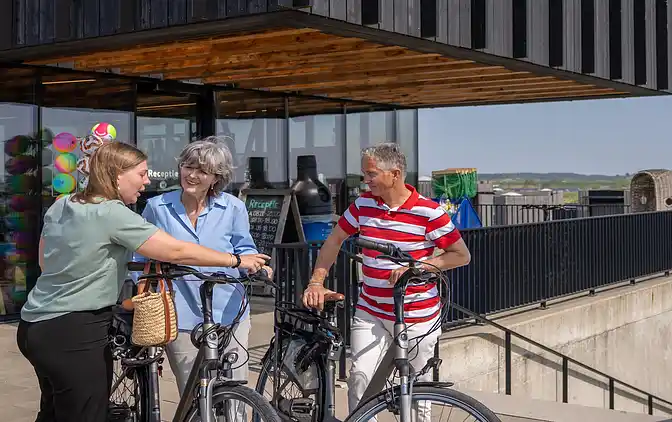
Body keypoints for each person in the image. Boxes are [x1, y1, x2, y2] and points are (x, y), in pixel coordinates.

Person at [16, 141, 270, 422]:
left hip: (35, 327)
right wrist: (234, 261)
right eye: (142, 173)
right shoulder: (114, 213)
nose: (147, 181)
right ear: (117, 175)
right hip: (76, 330)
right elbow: (175, 250)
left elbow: (44, 262)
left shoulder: (62, 204)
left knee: (52, 412)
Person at [301, 142, 471, 417]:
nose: (365, 181)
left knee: (416, 392)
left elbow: (461, 255)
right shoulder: (362, 206)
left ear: (395, 173)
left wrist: (419, 267)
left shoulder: (429, 213)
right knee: (360, 379)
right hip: (372, 311)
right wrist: (316, 282)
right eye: (365, 175)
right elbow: (333, 241)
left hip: (418, 315)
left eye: (371, 174)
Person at [132, 136, 260, 395]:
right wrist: (147, 292)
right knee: (193, 392)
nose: (192, 175)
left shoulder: (233, 207)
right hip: (179, 313)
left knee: (234, 391)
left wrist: (254, 264)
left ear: (216, 177)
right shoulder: (158, 208)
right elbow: (139, 257)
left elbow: (244, 249)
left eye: (202, 170)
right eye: (188, 166)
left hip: (230, 311)